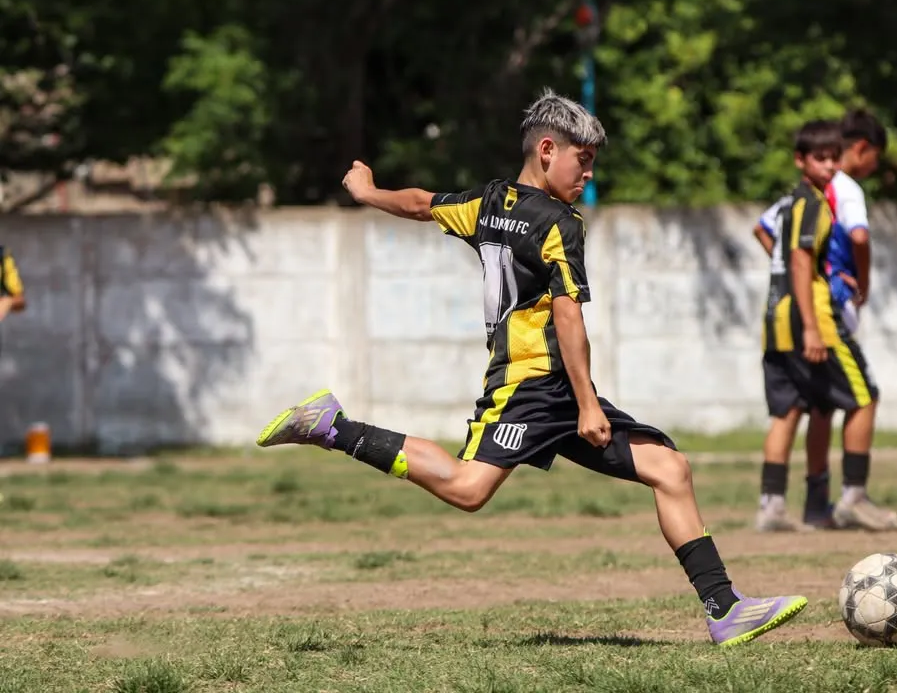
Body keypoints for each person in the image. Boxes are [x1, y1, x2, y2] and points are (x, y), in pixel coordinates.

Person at [255, 89, 807, 645]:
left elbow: (423, 203)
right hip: (535, 386)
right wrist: (589, 405)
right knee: (468, 487)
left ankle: (725, 609)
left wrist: (369, 192)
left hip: (554, 389)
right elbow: (569, 319)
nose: (587, 175)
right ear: (548, 149)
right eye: (582, 161)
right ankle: (332, 426)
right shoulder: (560, 223)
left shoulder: (490, 202)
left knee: (669, 469)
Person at [757, 117, 897, 533]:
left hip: (776, 317)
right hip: (812, 318)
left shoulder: (787, 203)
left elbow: (763, 232)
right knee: (864, 397)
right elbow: (810, 256)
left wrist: (792, 275)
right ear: (801, 161)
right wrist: (816, 319)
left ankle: (778, 506)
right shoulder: (818, 203)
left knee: (801, 408)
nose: (831, 167)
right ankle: (854, 496)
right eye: (822, 158)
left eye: (834, 158)